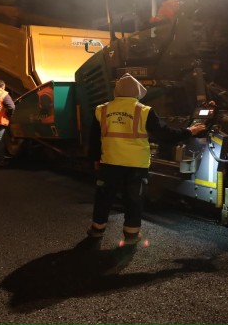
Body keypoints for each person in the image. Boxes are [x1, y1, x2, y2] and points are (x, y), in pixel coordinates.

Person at [86, 73, 206, 245]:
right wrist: (189, 131)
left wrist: (95, 158)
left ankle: (97, 230)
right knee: (134, 198)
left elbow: (94, 138)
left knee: (104, 196)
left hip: (110, 162)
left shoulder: (102, 109)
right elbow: (165, 134)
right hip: (136, 164)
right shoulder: (144, 111)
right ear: (137, 92)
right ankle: (131, 235)